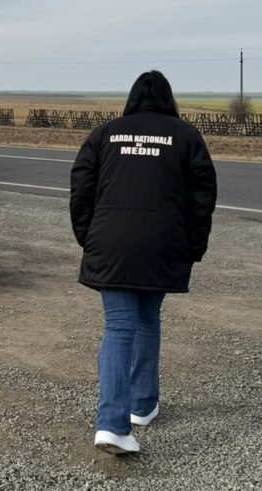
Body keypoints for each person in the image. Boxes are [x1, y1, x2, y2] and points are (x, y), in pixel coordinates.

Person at [70, 70, 217, 455]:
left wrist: (88, 236)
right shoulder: (185, 136)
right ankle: (132, 412)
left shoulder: (106, 133)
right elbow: (203, 196)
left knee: (119, 326)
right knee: (147, 319)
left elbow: (80, 187)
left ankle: (125, 415)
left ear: (132, 97)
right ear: (169, 98)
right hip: (163, 243)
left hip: (111, 241)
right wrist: (194, 246)